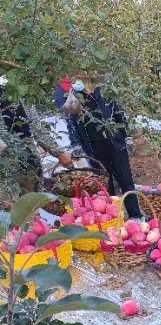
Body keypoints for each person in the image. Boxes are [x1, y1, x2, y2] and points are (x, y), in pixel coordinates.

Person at [65, 77, 142, 219]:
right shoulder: (74, 96)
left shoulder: (106, 91)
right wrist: (75, 144)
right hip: (93, 149)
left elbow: (118, 114)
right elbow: (71, 121)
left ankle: (135, 215)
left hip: (115, 144)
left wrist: (127, 137)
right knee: (105, 186)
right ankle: (113, 219)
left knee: (126, 181)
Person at [0, 76, 71, 204]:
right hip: (5, 176)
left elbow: (36, 127)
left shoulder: (17, 89)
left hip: (29, 163)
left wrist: (58, 152)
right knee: (11, 214)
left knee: (33, 209)